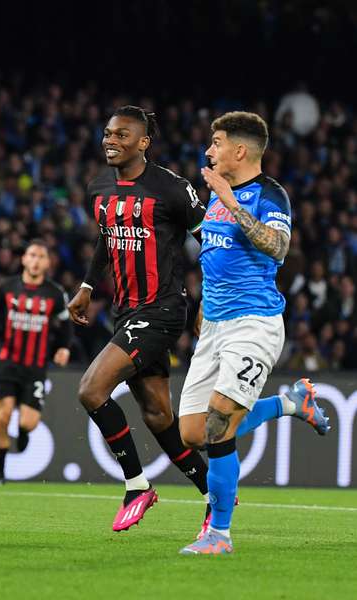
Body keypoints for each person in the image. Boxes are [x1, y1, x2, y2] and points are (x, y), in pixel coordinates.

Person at [178, 112, 329, 555]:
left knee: (220, 422)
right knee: (191, 433)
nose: (209, 151)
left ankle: (219, 535)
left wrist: (232, 200)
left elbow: (278, 247)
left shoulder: (269, 194)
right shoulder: (217, 197)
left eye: (217, 142)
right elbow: (215, 257)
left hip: (254, 322)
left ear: (239, 151)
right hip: (216, 326)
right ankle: (290, 403)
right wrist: (205, 308)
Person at [67, 106, 214, 532]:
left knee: (92, 390)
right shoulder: (98, 187)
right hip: (125, 312)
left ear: (143, 142)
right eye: (107, 133)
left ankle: (136, 486)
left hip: (163, 309)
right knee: (157, 417)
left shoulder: (171, 189)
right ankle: (213, 493)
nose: (110, 141)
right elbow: (106, 239)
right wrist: (89, 287)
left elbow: (212, 245)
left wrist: (210, 300)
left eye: (122, 135)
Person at [0, 240, 71, 484]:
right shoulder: (7, 287)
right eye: (31, 255)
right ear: (23, 259)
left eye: (41, 256)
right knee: (3, 416)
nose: (35, 260)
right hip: (7, 362)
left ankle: (23, 433)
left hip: (36, 367)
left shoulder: (54, 293)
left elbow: (65, 326)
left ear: (47, 263)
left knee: (29, 422)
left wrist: (64, 347)